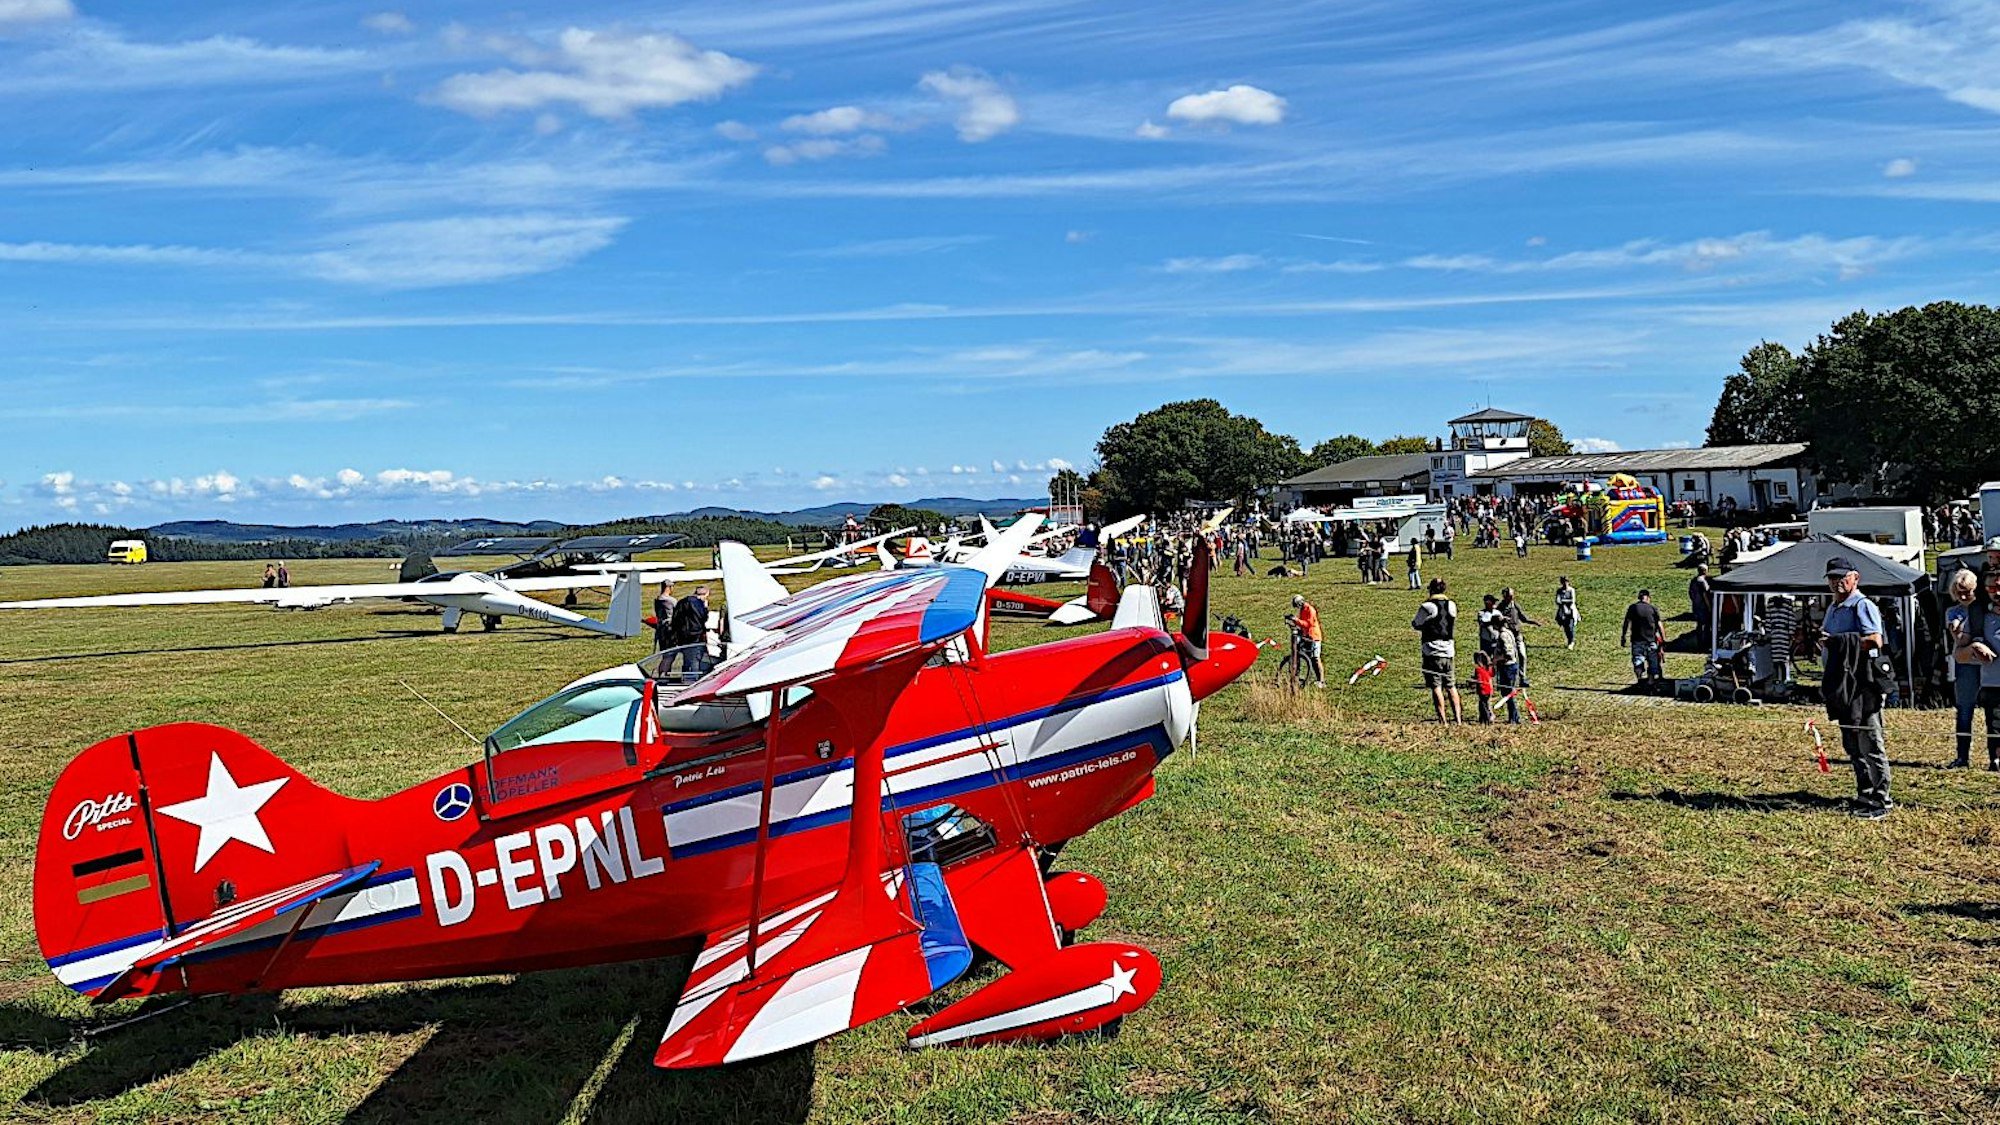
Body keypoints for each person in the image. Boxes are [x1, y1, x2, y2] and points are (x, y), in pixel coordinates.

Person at [1821, 556, 1890, 817]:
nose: (1837, 582)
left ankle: (1882, 798)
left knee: (1870, 740)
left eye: (1842, 577)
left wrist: (1838, 643)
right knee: (1851, 742)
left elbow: (1875, 640)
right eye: (1832, 578)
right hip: (1842, 683)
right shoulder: (1833, 608)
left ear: (1855, 578)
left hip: (1863, 683)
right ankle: (1865, 792)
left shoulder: (1862, 605)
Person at [1942, 568, 1983, 768]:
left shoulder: (1985, 608)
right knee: (1964, 710)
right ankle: (1962, 756)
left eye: (1968, 591)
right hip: (1966, 666)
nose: (1964, 596)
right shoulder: (1953, 611)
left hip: (1989, 666)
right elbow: (1957, 639)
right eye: (1960, 592)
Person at [1411, 577, 1461, 723]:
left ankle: (1443, 720)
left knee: (1436, 686)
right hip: (1449, 649)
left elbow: (1416, 623)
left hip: (1432, 650)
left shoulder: (1427, 606)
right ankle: (1458, 719)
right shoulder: (1452, 604)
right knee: (1451, 686)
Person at [1620, 589, 1665, 685]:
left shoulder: (1633, 608)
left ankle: (1639, 679)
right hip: (1651, 640)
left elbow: (1626, 623)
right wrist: (1663, 640)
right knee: (1653, 662)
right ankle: (1650, 681)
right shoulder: (1653, 608)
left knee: (1638, 660)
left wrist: (1623, 636)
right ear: (1648, 598)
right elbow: (1660, 625)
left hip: (1637, 640)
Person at [1498, 587, 1540, 685]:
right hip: (1507, 637)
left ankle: (1523, 678)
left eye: (1512, 595)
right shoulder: (1500, 607)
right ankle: (1506, 680)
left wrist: (1533, 622)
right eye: (1509, 595)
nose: (1511, 597)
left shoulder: (1515, 606)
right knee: (1508, 658)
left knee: (1522, 655)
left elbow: (1523, 618)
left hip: (1517, 635)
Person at [671, 585, 712, 679]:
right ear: (704, 594)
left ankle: (685, 678)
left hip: (682, 637)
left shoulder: (681, 602)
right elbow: (703, 618)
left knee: (686, 660)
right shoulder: (699, 604)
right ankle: (693, 680)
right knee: (695, 660)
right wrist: (705, 608)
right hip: (696, 637)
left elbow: (675, 619)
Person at [1287, 593, 1325, 688]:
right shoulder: (1303, 610)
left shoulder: (1310, 610)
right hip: (1306, 636)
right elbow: (1302, 623)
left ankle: (1321, 681)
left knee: (1316, 659)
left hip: (1314, 636)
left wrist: (1295, 619)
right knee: (1308, 658)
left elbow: (1308, 624)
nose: (1297, 607)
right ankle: (1309, 677)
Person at [1689, 564, 1713, 649]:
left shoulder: (1693, 581)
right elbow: (1705, 594)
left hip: (1696, 606)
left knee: (1699, 625)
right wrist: (1709, 606)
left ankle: (1699, 642)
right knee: (1706, 625)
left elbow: (1691, 594)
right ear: (1705, 571)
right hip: (1704, 607)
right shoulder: (1702, 581)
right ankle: (1705, 643)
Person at [652, 581, 677, 656]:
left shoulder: (657, 600)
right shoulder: (671, 600)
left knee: (664, 652)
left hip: (660, 627)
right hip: (669, 628)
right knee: (671, 653)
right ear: (669, 587)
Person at [1554, 576, 1579, 649]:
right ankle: (1569, 640)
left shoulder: (1571, 590)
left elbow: (1572, 601)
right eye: (1564, 582)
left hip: (1570, 611)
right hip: (1563, 612)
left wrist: (1563, 601)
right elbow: (1557, 601)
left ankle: (1571, 641)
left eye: (1566, 582)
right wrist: (1563, 602)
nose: (1565, 583)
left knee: (1570, 627)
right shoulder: (1559, 590)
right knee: (1565, 628)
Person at [1472, 650, 1495, 724]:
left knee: (1483, 705)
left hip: (1483, 690)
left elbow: (1479, 679)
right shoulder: (1488, 668)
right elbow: (1491, 675)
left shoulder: (1478, 669)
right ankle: (1482, 718)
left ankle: (1487, 718)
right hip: (1489, 689)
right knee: (1486, 704)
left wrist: (1472, 681)